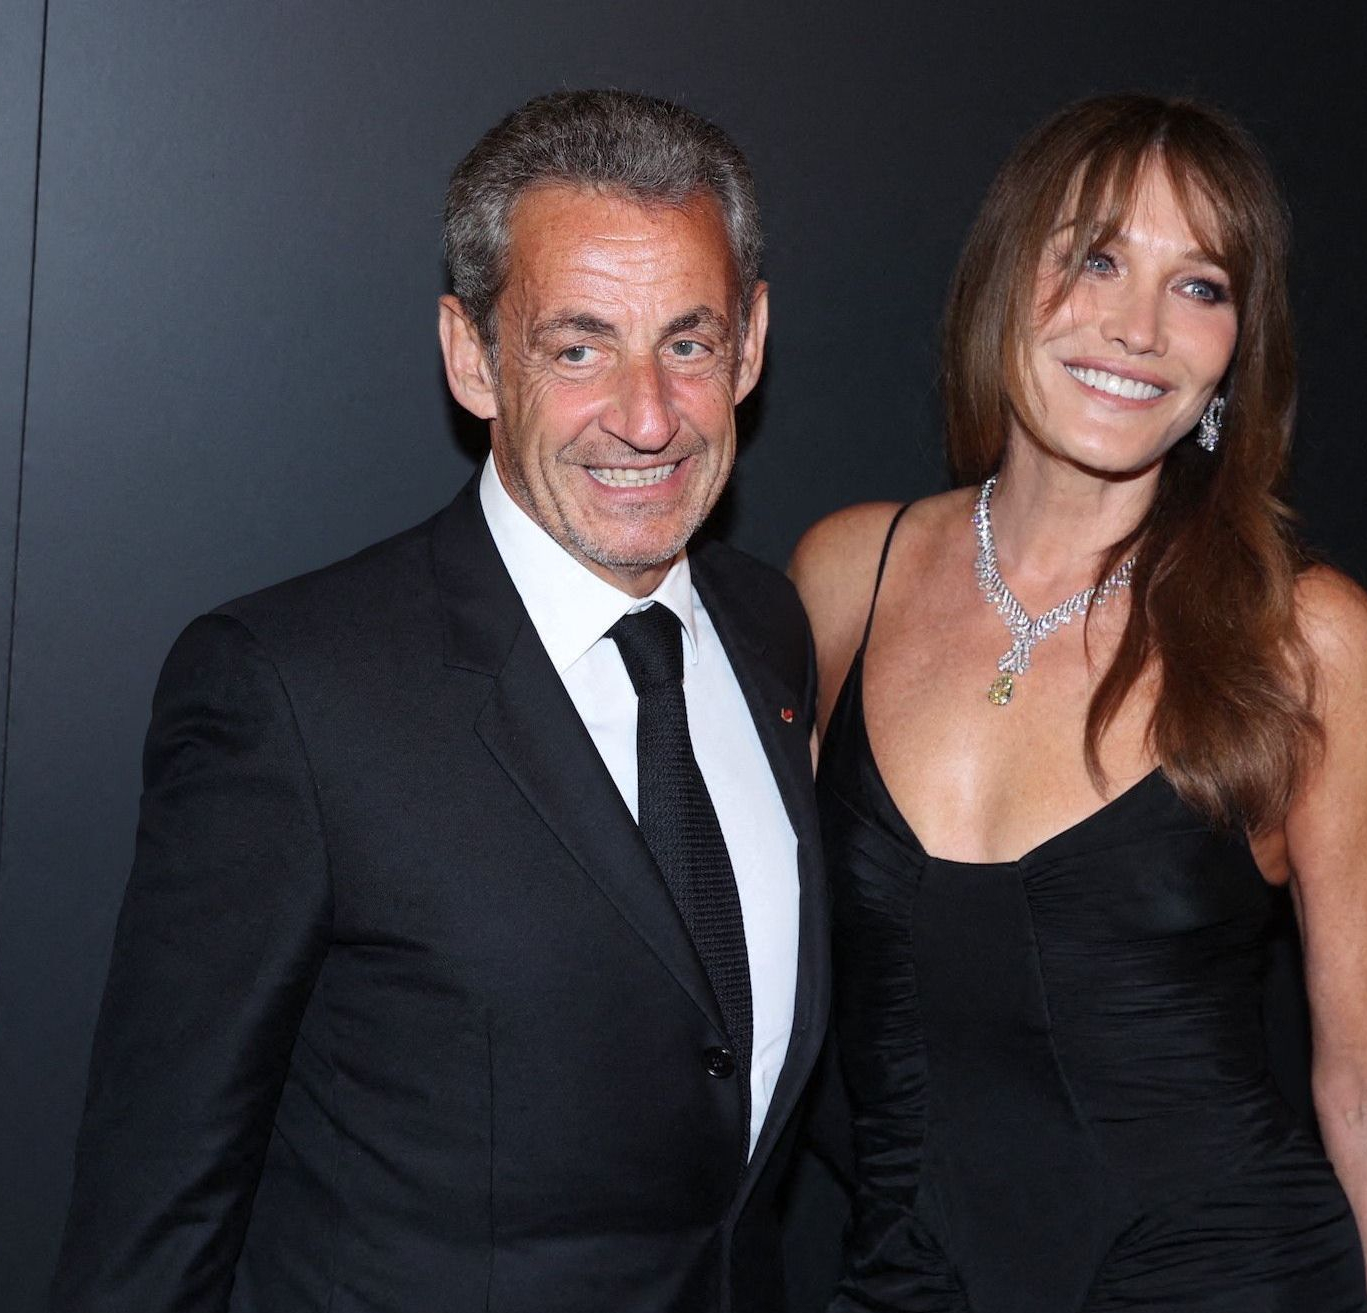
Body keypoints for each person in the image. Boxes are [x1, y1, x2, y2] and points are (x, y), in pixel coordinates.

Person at [52, 89, 827, 1313]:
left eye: (688, 343)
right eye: (578, 348)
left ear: (752, 341)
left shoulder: (770, 631)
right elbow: (157, 1209)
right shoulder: (290, 692)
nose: (647, 417)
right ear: (472, 357)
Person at [789, 95, 1367, 1311]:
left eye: (1198, 286)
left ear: (1236, 349)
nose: (1137, 327)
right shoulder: (843, 577)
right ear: (1004, 281)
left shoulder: (1304, 641)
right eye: (1095, 259)